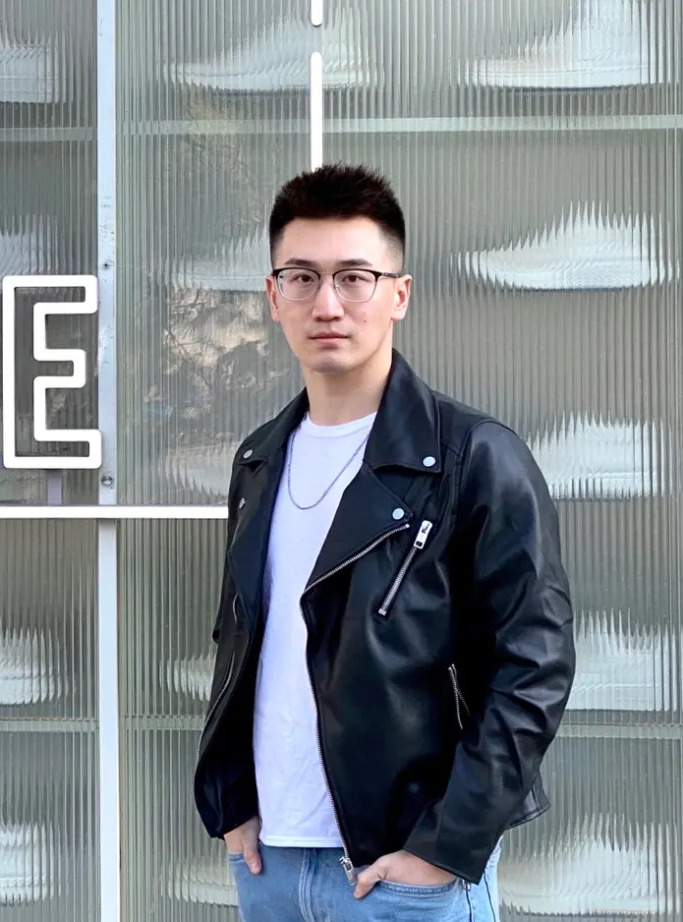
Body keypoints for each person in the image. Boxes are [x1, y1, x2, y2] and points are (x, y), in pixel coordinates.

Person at [193, 163, 576, 921]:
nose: (327, 303)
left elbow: (534, 667)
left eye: (355, 277)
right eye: (302, 277)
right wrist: (234, 805)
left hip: (403, 874)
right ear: (273, 295)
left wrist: (443, 848)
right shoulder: (259, 459)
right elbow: (244, 640)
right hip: (270, 865)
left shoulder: (473, 456)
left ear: (399, 294)